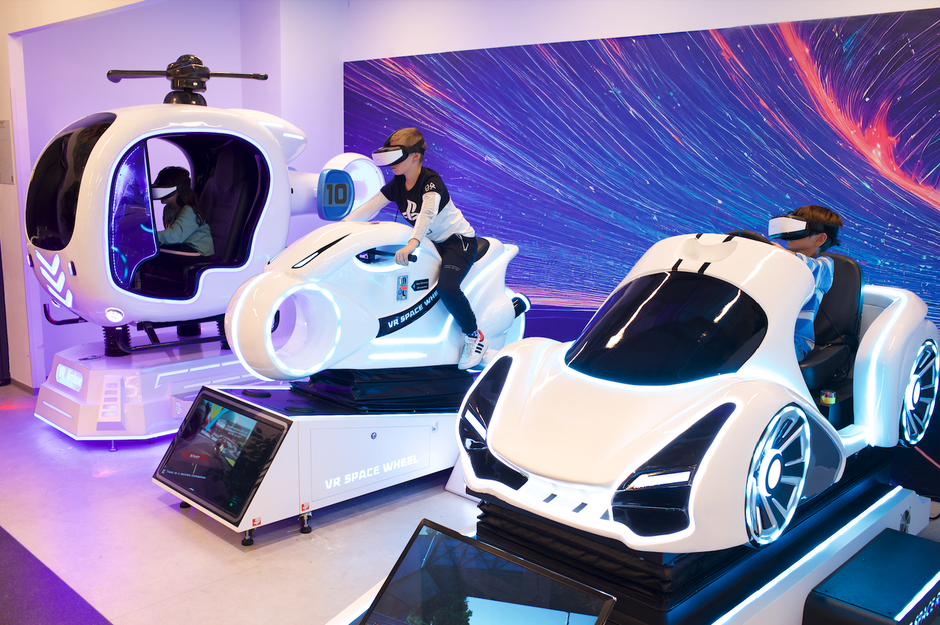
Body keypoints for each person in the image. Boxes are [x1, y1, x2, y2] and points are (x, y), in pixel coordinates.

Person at [344, 128, 486, 370]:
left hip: (457, 241)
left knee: (447, 287)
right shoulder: (398, 183)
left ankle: (474, 336)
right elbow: (371, 206)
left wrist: (412, 243)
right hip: (429, 242)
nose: (392, 164)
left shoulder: (431, 182)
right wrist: (342, 228)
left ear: (415, 156)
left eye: (396, 156)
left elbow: (426, 215)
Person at [768, 204, 844, 361]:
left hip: (793, 342)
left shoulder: (824, 265)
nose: (789, 233)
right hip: (765, 331)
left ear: (820, 239)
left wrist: (776, 252)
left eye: (797, 228)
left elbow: (805, 266)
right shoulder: (780, 260)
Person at [150, 166, 214, 259]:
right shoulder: (168, 209)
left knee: (152, 251)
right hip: (183, 245)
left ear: (178, 191)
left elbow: (176, 235)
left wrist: (150, 237)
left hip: (198, 251)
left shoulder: (190, 211)